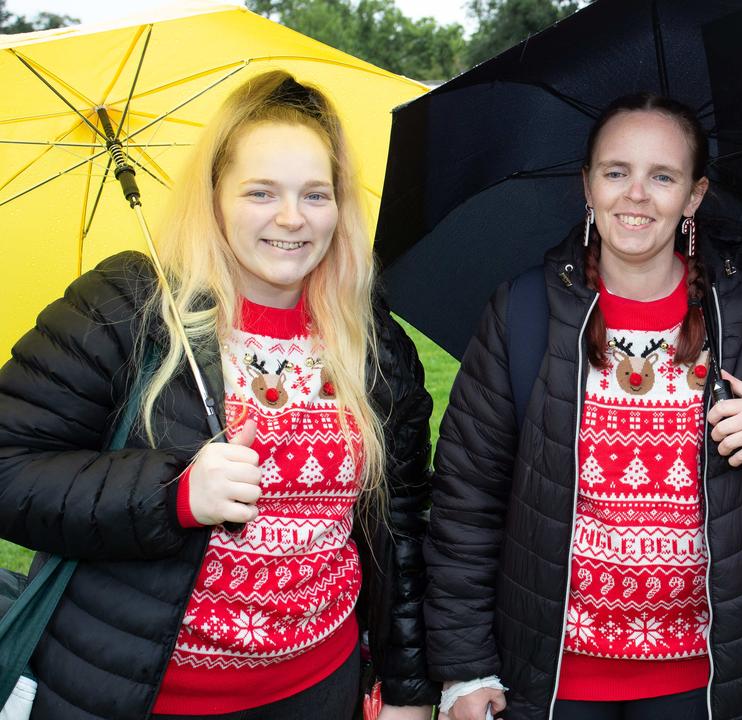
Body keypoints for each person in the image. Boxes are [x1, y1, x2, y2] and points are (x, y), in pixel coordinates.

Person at [0, 72, 434, 719]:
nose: (292, 218)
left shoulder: (371, 339)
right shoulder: (127, 306)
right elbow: (10, 469)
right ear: (215, 196)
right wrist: (172, 493)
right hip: (139, 695)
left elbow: (399, 525)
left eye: (315, 194)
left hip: (319, 690)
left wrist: (406, 688)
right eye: (262, 192)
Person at [425, 93, 742, 720]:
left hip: (703, 676)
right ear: (588, 186)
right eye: (617, 172)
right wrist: (463, 669)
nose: (636, 195)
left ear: (693, 196)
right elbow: (465, 501)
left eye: (662, 176)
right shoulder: (525, 312)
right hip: (554, 676)